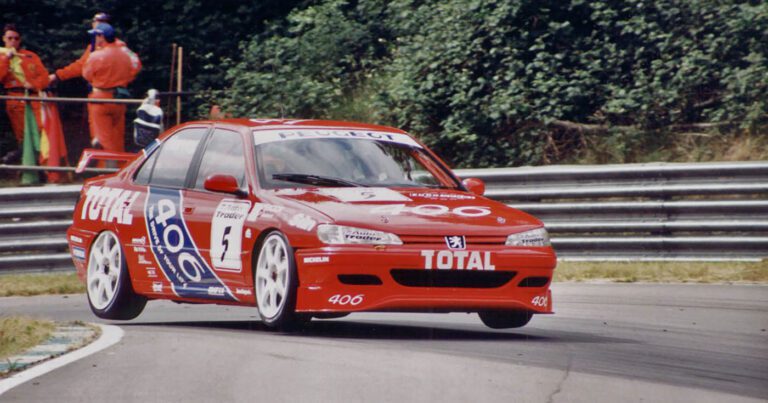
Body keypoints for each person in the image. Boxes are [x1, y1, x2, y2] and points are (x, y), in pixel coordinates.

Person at [80, 23, 141, 152]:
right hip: (119, 98)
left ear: (102, 36)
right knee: (117, 137)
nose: (95, 39)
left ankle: (107, 170)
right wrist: (124, 80)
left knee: (104, 140)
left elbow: (86, 75)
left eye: (96, 35)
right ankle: (119, 168)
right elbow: (135, 67)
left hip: (100, 99)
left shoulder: (96, 55)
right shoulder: (125, 53)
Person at [0, 23, 50, 163]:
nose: (13, 41)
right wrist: (6, 59)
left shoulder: (30, 56)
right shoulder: (1, 56)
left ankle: (45, 169)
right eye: (10, 38)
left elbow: (44, 77)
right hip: (14, 99)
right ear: (4, 39)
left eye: (16, 38)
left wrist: (34, 85)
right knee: (23, 137)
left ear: (20, 40)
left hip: (33, 98)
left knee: (41, 133)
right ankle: (28, 170)